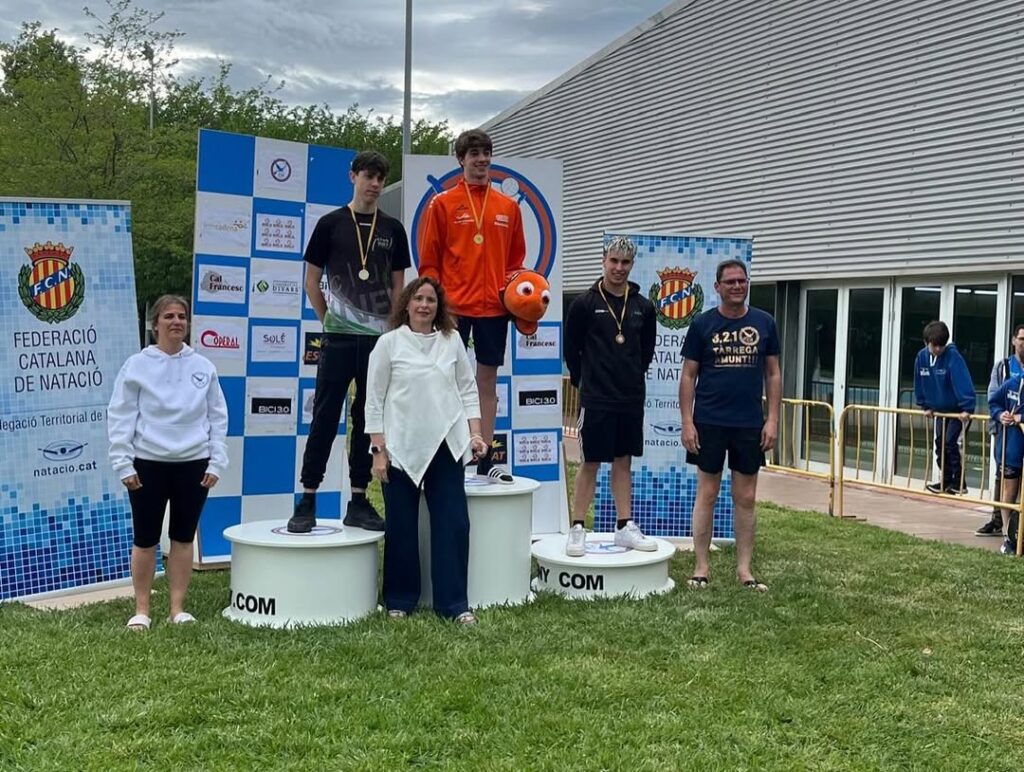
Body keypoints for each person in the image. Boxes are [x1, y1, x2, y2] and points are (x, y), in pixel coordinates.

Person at [288, 150, 411, 533]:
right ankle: (307, 498)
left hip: (378, 341)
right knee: (325, 416)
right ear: (352, 176)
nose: (374, 184)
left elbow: (398, 287)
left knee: (368, 419)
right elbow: (311, 281)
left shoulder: (393, 229)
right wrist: (329, 320)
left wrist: (392, 330)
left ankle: (358, 499)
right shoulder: (330, 224)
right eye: (368, 176)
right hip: (339, 338)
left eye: (380, 178)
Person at [365, 276, 488, 624]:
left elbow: (468, 390)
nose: (424, 305)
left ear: (439, 307)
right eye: (418, 298)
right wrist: (378, 450)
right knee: (401, 527)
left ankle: (454, 604)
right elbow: (373, 400)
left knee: (454, 525)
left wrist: (475, 434)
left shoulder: (452, 341)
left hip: (447, 446)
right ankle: (399, 600)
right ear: (406, 303)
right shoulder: (388, 343)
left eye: (431, 300)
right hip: (400, 447)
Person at [107, 295, 228, 629]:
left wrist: (216, 462)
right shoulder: (136, 365)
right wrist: (123, 463)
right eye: (169, 316)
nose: (177, 322)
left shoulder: (203, 367)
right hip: (147, 464)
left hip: (194, 464)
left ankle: (177, 609)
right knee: (145, 539)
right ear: (155, 324)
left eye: (182, 316)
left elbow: (217, 418)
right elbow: (120, 415)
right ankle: (142, 610)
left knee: (183, 538)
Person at [418, 129, 526, 483]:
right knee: (446, 381)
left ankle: (484, 457)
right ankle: (448, 454)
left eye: (486, 153)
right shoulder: (443, 204)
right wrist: (436, 305)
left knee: (486, 383)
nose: (482, 159)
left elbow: (515, 263)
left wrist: (516, 299)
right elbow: (430, 262)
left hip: (494, 308)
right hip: (454, 308)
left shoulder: (508, 207)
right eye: (474, 153)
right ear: (461, 159)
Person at [679, 259, 781, 591]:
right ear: (718, 287)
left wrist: (773, 419)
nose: (737, 286)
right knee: (707, 493)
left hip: (749, 423)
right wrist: (687, 421)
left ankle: (744, 570)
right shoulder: (702, 324)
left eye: (742, 280)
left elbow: (773, 373)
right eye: (730, 282)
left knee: (746, 497)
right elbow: (688, 375)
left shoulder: (765, 322)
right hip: (709, 421)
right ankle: (701, 567)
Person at [563, 237, 658, 556]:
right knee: (590, 461)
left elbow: (646, 351)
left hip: (629, 398)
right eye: (614, 261)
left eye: (625, 262)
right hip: (596, 397)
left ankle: (624, 526)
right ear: (604, 260)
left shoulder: (643, 306)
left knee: (623, 461)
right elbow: (572, 349)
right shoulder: (584, 303)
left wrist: (630, 378)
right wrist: (585, 382)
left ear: (632, 265)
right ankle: (578, 527)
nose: (619, 268)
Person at [912, 320, 976, 495]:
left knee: (951, 442)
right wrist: (924, 405)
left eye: (941, 345)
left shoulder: (953, 357)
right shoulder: (921, 358)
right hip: (940, 410)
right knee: (940, 443)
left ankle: (959, 482)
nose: (938, 349)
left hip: (958, 411)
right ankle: (945, 480)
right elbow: (919, 382)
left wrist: (967, 408)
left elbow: (963, 382)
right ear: (926, 343)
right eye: (934, 345)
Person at [978, 324, 1024, 536]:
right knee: (1004, 479)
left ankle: (1016, 530)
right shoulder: (1003, 367)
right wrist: (1000, 416)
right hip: (1006, 435)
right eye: (1021, 339)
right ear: (1014, 340)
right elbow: (993, 398)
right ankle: (1002, 526)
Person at [988, 366, 1024, 557]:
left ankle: (1019, 535)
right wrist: (999, 414)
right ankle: (1008, 536)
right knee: (1009, 491)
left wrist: (1021, 417)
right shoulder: (1011, 384)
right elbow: (994, 403)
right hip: (1010, 447)